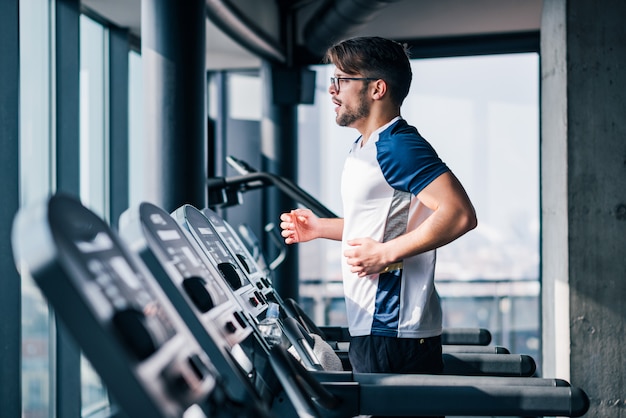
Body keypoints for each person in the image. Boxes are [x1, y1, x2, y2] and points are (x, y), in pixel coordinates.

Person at [279, 36, 477, 415]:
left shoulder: (398, 146)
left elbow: (459, 213)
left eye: (341, 80)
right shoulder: (363, 148)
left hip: (394, 327)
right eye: (331, 80)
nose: (332, 91)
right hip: (375, 325)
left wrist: (385, 253)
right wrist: (321, 228)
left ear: (377, 88)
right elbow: (381, 225)